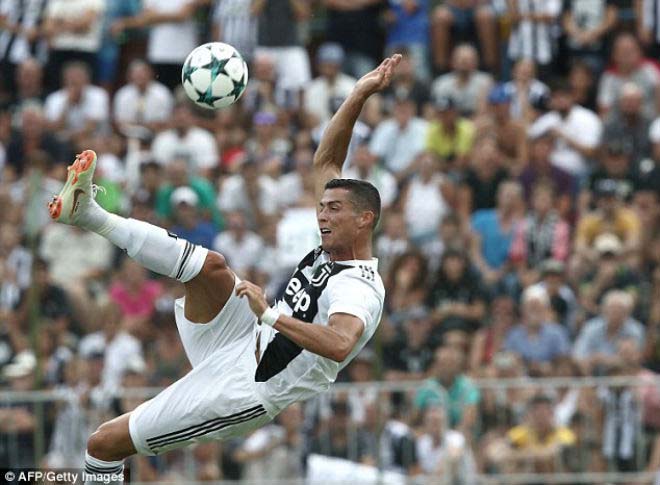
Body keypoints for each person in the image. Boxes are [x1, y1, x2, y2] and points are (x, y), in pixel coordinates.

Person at [46, 54, 399, 484]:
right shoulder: (333, 248)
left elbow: (341, 343)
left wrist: (270, 314)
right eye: (322, 207)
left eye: (334, 210)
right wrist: (358, 93)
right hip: (242, 335)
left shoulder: (359, 287)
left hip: (245, 389)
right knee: (211, 267)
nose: (322, 215)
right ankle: (88, 214)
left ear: (365, 219)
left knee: (103, 444)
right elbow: (326, 160)